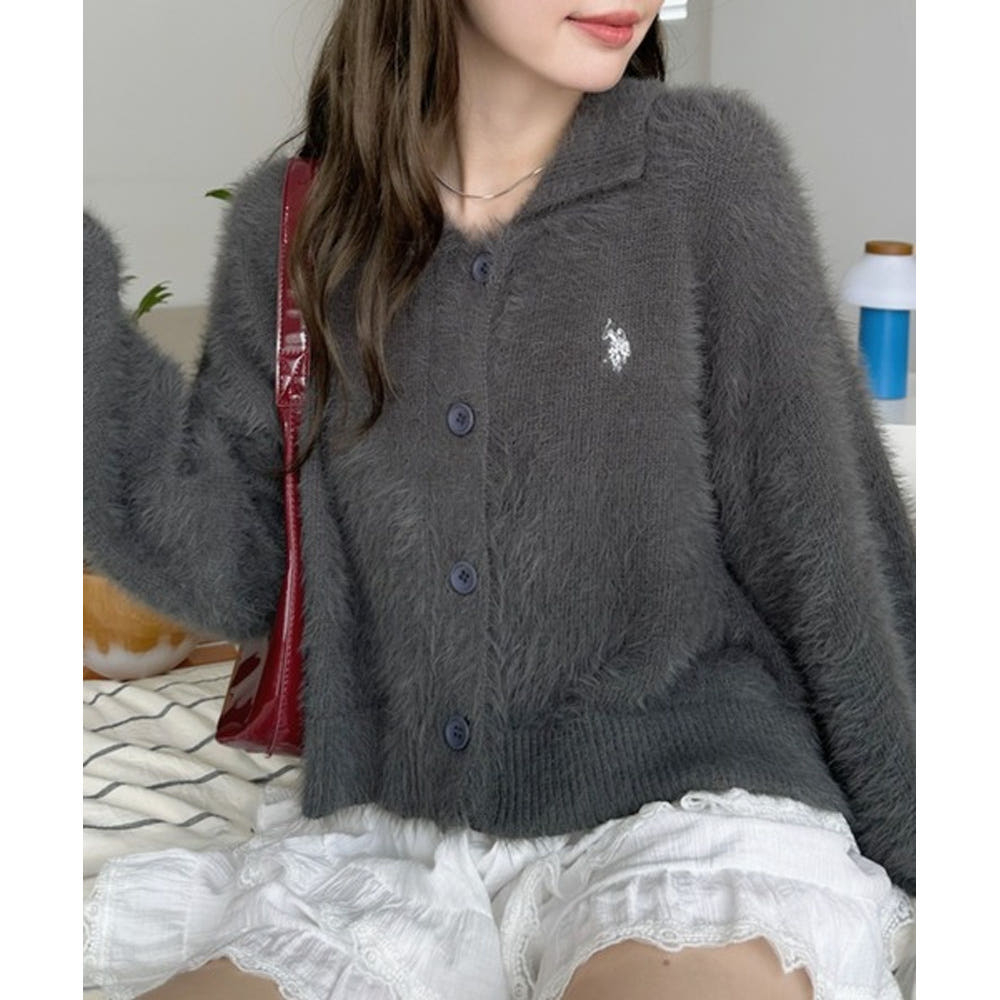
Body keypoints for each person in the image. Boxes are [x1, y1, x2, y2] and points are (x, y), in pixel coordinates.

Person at [82, 2, 916, 998]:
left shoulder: (705, 168)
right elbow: (239, 560)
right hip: (385, 843)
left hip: (690, 810)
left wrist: (930, 846)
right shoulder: (295, 218)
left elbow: (827, 548)